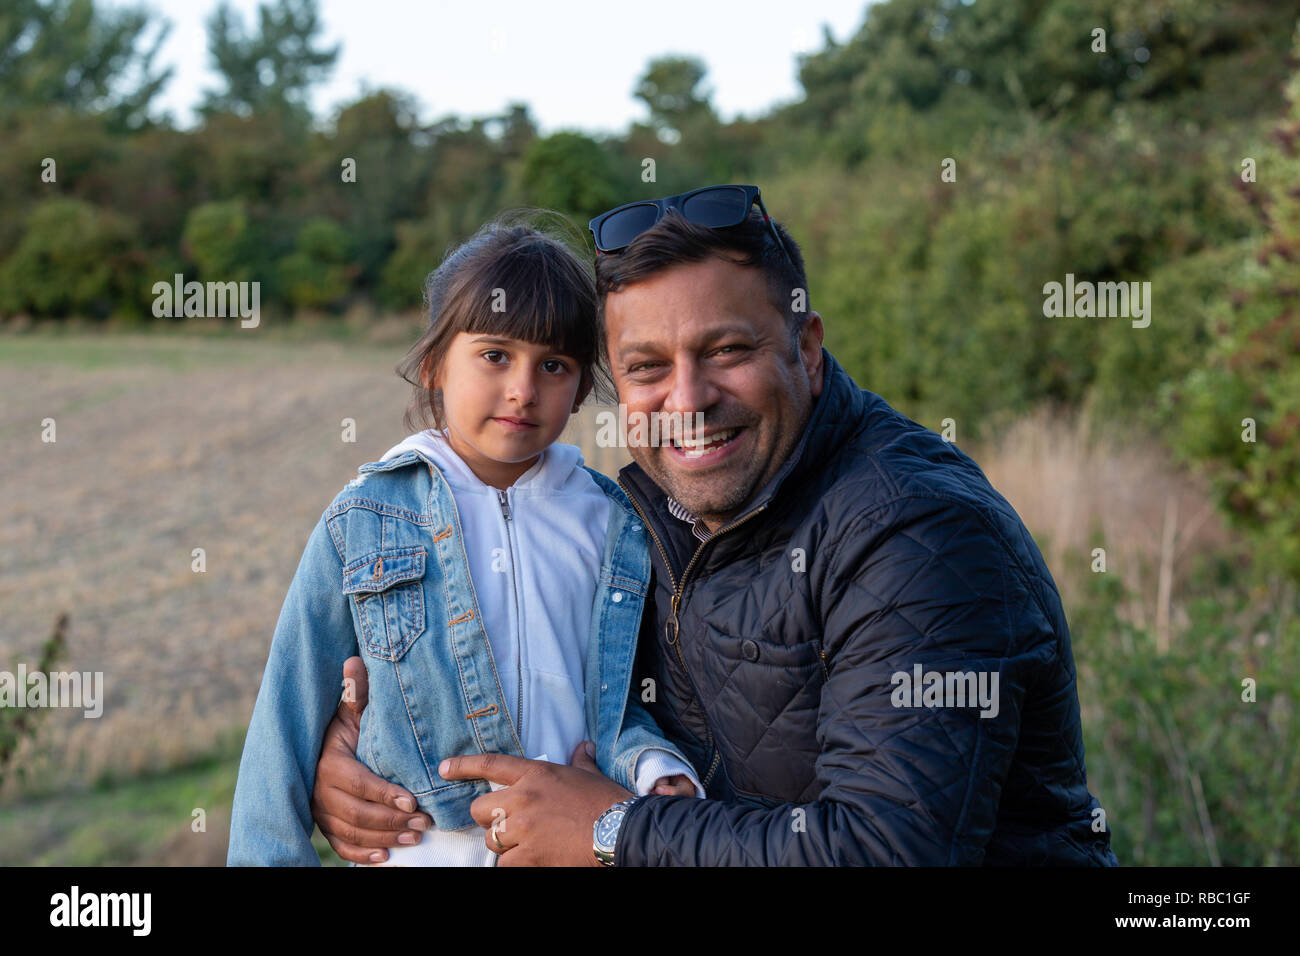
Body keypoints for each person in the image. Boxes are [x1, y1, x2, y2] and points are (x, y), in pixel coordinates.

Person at [309, 185, 1119, 867]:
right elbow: (552, 690)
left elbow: (888, 849)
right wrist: (361, 769)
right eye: (647, 368)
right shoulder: (643, 520)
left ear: (805, 348)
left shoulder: (916, 533)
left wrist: (612, 831)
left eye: (726, 350)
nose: (687, 401)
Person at [226, 214, 701, 867]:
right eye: (495, 355)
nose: (523, 390)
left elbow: (626, 704)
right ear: (433, 364)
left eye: (554, 365)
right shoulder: (364, 518)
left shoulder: (613, 522)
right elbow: (285, 721)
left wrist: (655, 772)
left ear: (583, 387)